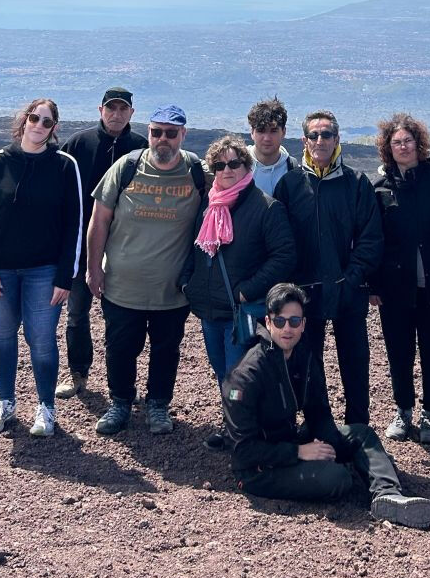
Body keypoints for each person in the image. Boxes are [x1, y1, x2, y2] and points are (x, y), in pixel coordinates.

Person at [222, 283, 430, 529]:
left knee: (361, 434)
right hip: (258, 470)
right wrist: (300, 453)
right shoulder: (245, 377)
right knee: (337, 478)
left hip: (290, 438)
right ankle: (352, 474)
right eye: (280, 321)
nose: (287, 329)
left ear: (304, 324)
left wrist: (332, 446)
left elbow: (319, 411)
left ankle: (387, 495)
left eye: (294, 321)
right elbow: (242, 451)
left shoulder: (303, 356)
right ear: (268, 322)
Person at [87, 104, 206, 436]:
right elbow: (99, 222)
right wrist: (93, 269)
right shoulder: (127, 167)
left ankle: (158, 404)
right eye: (156, 132)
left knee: (166, 349)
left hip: (172, 290)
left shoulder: (197, 171)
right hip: (123, 286)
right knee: (120, 347)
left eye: (171, 133)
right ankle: (120, 403)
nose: (162, 139)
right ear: (149, 132)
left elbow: (235, 183)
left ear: (183, 134)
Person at [0, 98, 82, 436]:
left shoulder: (64, 166)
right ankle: (5, 403)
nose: (38, 126)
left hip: (44, 272)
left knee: (42, 340)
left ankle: (46, 408)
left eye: (47, 122)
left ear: (54, 128)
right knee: (2, 335)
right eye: (34, 118)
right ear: (24, 120)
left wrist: (66, 275)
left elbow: (74, 223)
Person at [180, 135, 296, 449]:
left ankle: (248, 437)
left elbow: (285, 255)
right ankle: (237, 430)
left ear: (247, 166)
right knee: (223, 373)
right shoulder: (210, 204)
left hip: (241, 311)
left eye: (234, 163)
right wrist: (188, 283)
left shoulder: (266, 207)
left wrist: (248, 290)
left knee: (239, 376)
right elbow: (197, 249)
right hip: (210, 308)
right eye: (219, 164)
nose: (227, 169)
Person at [272, 110, 382, 426]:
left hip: (349, 290)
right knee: (309, 362)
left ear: (337, 139)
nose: (320, 141)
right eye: (314, 135)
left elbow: (370, 238)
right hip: (305, 294)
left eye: (327, 134)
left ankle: (358, 426)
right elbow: (282, 240)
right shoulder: (290, 185)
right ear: (305, 140)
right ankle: (317, 424)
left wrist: (353, 277)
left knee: (355, 362)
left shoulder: (356, 184)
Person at [54, 87, 148, 399]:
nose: (117, 114)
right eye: (112, 108)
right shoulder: (79, 144)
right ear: (100, 110)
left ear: (131, 113)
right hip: (80, 246)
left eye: (123, 109)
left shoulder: (141, 149)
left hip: (125, 251)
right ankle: (79, 375)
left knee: (118, 321)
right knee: (77, 314)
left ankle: (118, 384)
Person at [369, 113, 430, 444]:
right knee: (398, 352)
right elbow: (373, 239)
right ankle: (402, 410)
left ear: (419, 144)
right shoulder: (379, 189)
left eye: (408, 141)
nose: (403, 147)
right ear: (388, 148)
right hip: (394, 289)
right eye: (396, 142)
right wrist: (372, 285)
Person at [246, 97, 295, 196]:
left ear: (284, 132)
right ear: (252, 132)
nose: (267, 138)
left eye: (273, 131)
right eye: (261, 131)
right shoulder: (236, 165)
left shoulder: (292, 170)